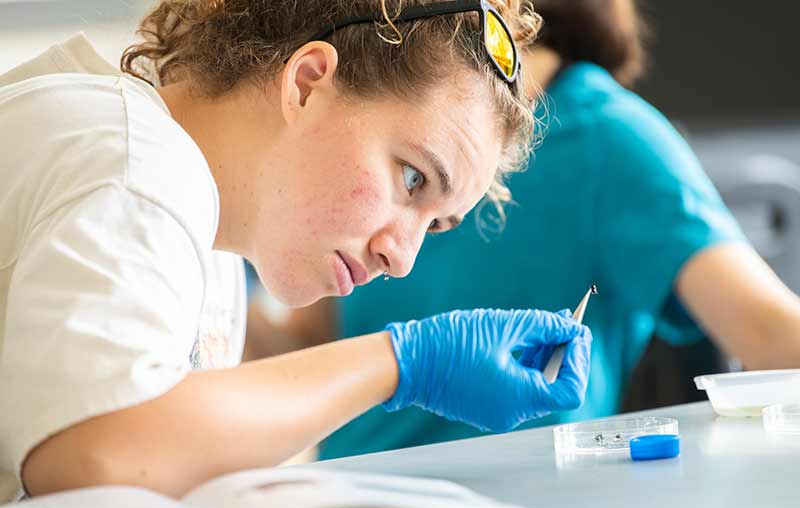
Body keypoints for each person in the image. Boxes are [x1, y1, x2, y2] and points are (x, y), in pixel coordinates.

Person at [0, 0, 595, 502]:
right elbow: (98, 457)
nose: (403, 258)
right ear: (308, 83)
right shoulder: (136, 166)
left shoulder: (213, 242)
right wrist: (402, 363)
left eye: (435, 224)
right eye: (412, 179)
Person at [243, 0, 800, 460]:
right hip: (350, 504)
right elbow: (309, 333)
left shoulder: (610, 140)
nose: (403, 254)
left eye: (435, 215)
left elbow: (775, 333)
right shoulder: (391, 111)